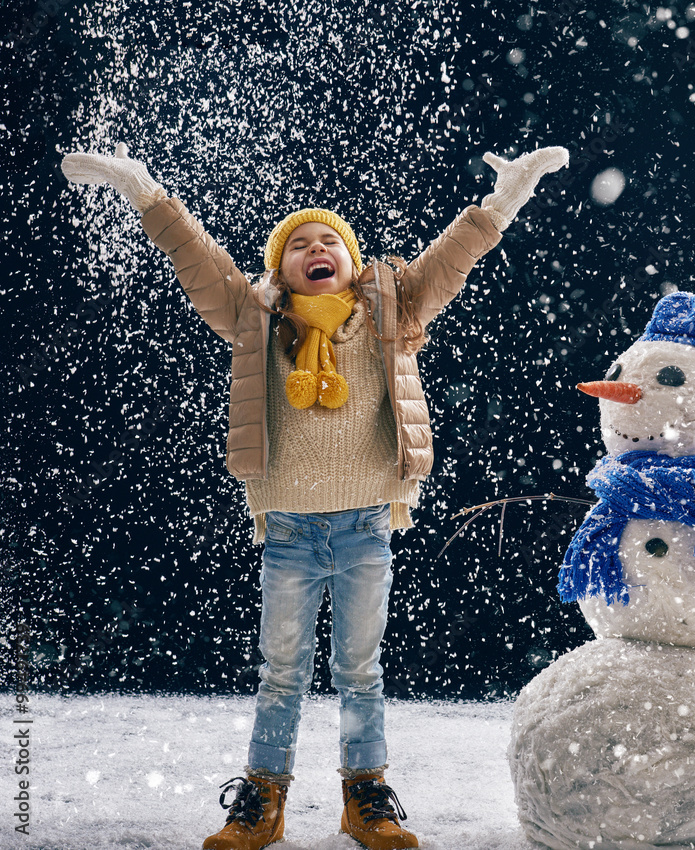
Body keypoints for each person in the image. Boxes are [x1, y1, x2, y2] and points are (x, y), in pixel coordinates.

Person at [60, 141, 568, 850]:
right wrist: (145, 192)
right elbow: (196, 259)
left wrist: (504, 200)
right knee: (281, 674)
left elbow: (455, 258)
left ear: (353, 264)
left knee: (360, 672)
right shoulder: (253, 317)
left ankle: (366, 797)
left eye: (330, 239)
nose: (316, 247)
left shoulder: (395, 307)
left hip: (365, 526)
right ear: (280, 270)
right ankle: (261, 801)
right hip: (292, 532)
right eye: (299, 243)